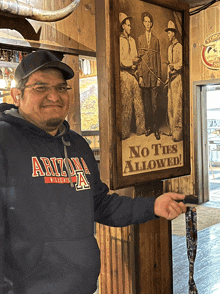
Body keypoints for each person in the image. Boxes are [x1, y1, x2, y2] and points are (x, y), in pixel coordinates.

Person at [0, 50, 186, 294]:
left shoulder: (77, 145)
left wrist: (152, 206)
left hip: (82, 284)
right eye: (40, 87)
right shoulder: (4, 140)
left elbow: (99, 204)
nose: (53, 96)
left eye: (61, 88)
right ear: (17, 95)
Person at [119, 13, 146, 140]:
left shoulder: (132, 40)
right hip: (124, 74)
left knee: (139, 102)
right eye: (128, 25)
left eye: (130, 25)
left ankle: (141, 129)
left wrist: (137, 69)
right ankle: (125, 132)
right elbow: (121, 61)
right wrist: (131, 63)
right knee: (126, 104)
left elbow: (135, 58)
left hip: (133, 74)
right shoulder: (119, 41)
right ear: (123, 26)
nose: (130, 28)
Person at [138, 12, 161, 140]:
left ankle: (156, 128)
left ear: (151, 24)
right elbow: (140, 59)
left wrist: (158, 77)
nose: (147, 24)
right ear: (143, 23)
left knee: (154, 104)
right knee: (146, 104)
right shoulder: (140, 39)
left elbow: (158, 58)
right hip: (145, 78)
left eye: (149, 22)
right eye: (145, 21)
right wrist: (140, 76)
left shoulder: (156, 40)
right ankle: (149, 127)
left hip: (154, 77)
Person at [164, 20, 183, 142]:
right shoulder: (169, 47)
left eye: (170, 32)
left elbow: (181, 63)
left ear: (174, 33)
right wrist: (167, 77)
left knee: (177, 106)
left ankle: (178, 133)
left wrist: (173, 66)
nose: (168, 34)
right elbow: (168, 65)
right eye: (168, 32)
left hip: (177, 79)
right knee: (170, 106)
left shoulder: (179, 47)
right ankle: (172, 130)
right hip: (171, 80)